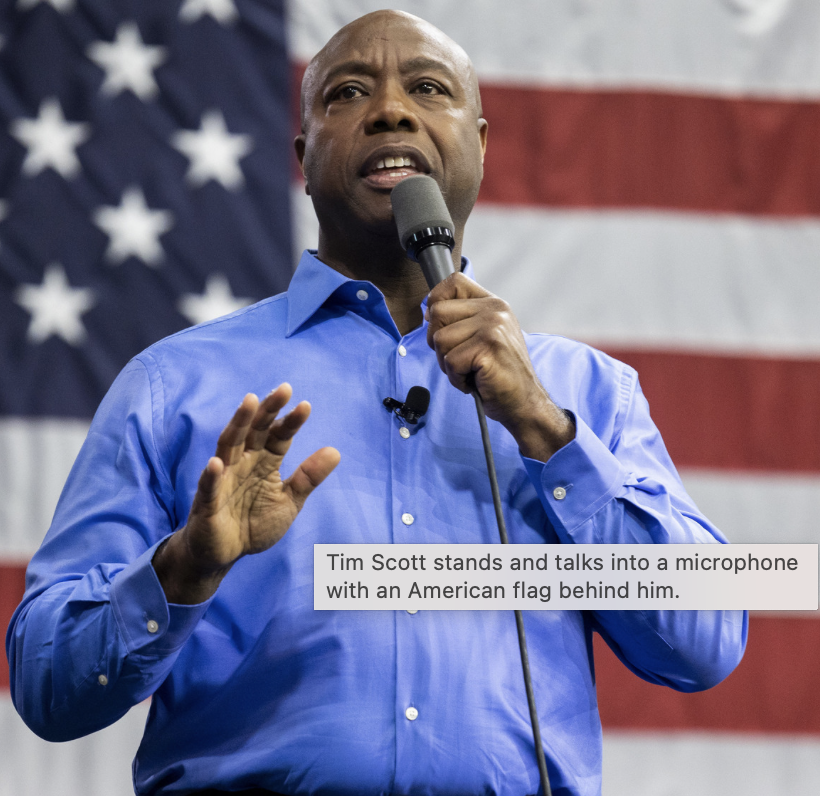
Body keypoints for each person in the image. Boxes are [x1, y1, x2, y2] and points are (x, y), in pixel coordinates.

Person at [6, 10, 747, 796]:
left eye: (428, 88)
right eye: (347, 93)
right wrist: (182, 570)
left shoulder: (587, 393)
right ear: (303, 156)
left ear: (483, 144)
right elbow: (48, 688)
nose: (391, 110)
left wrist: (545, 428)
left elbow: (705, 646)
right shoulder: (172, 386)